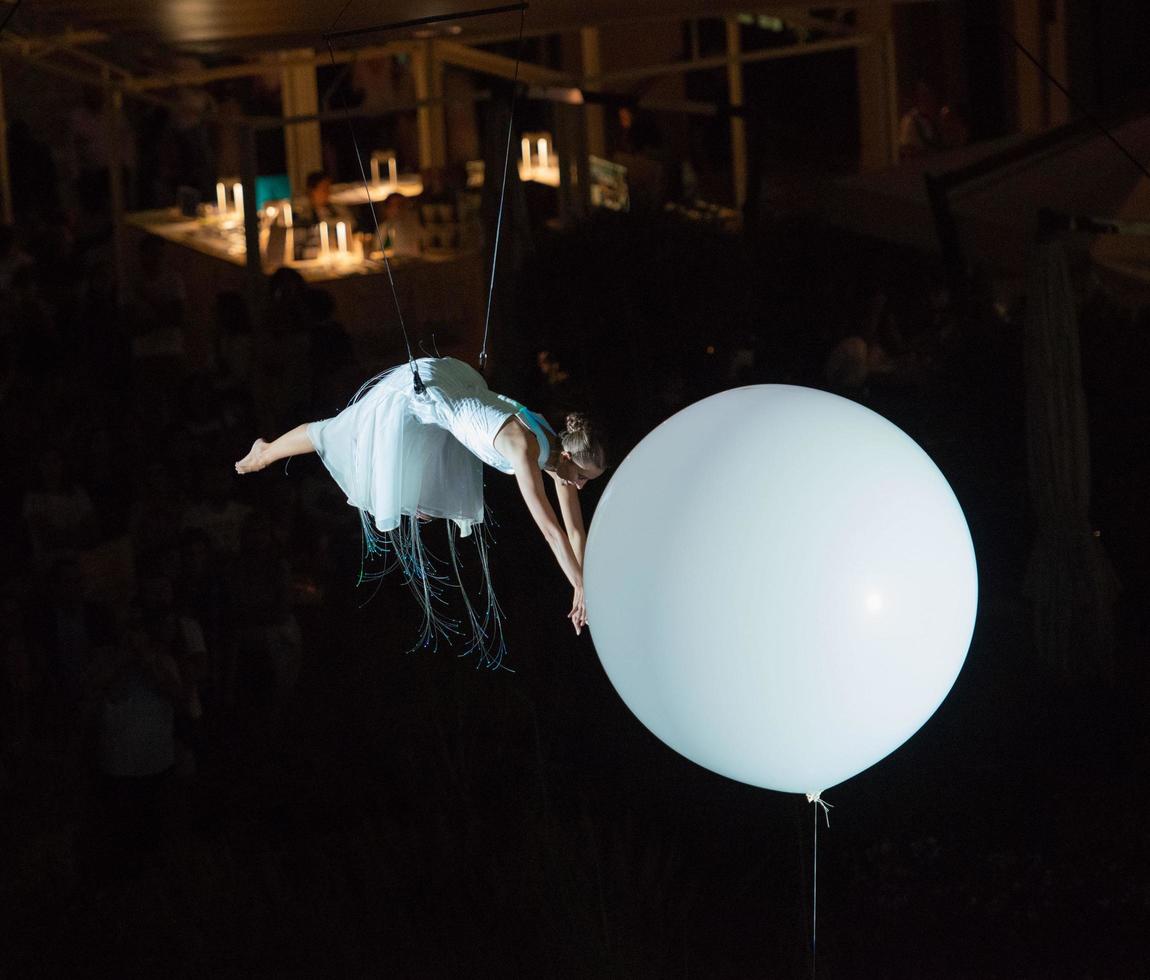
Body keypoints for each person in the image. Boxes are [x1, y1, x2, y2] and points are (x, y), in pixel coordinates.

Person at [234, 356, 605, 655]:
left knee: (420, 498)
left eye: (587, 480)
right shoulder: (526, 449)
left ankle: (408, 493)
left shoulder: (558, 457)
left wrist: (581, 584)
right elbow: (550, 529)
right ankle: (265, 451)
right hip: (434, 393)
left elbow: (574, 530)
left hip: (458, 394)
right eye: (582, 474)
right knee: (342, 431)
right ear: (570, 453)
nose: (579, 484)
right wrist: (579, 584)